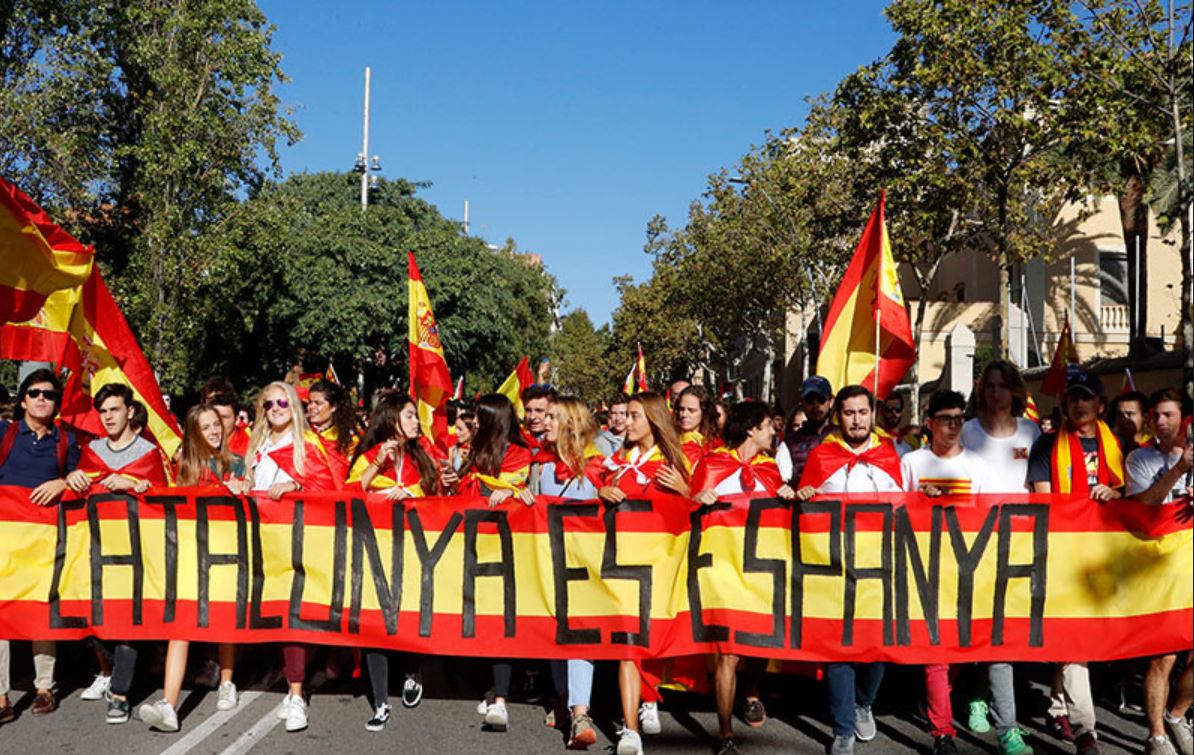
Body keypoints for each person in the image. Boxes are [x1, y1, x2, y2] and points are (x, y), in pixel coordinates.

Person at [796, 385, 903, 755]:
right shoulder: (821, 457)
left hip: (879, 567)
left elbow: (906, 507)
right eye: (848, 413)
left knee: (875, 647)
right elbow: (802, 512)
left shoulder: (892, 454)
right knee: (838, 649)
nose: (856, 420)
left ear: (872, 414)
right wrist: (803, 497)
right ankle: (842, 727)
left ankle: (863, 703)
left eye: (862, 412)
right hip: (833, 567)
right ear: (837, 416)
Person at [1027, 367, 1125, 755]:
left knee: (1078, 639)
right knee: (1076, 640)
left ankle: (1057, 706)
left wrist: (1115, 496)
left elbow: (1129, 494)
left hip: (1102, 555)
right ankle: (1087, 731)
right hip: (1062, 553)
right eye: (1073, 397)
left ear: (1100, 405)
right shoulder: (1047, 446)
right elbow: (1043, 499)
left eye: (1087, 397)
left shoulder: (1114, 445)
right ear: (1065, 403)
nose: (1079, 403)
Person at [690, 401, 795, 755]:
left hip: (758, 572)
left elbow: (782, 521)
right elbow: (687, 512)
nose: (773, 432)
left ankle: (751, 692)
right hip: (721, 570)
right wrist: (697, 499)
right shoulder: (712, 463)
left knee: (756, 641)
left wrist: (787, 498)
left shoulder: (771, 470)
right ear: (751, 429)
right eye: (767, 425)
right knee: (727, 653)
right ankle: (724, 733)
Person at [138, 403, 246, 732]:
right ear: (194, 433)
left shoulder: (237, 462)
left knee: (224, 620)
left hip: (226, 552)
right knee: (180, 627)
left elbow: (247, 505)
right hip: (189, 552)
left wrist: (240, 489)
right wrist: (146, 489)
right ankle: (169, 705)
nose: (214, 431)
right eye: (206, 427)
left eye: (217, 424)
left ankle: (227, 682)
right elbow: (169, 499)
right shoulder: (181, 464)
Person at [900, 390, 996, 755]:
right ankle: (943, 732)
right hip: (924, 569)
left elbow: (989, 519)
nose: (954, 425)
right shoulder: (911, 463)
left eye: (959, 417)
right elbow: (896, 514)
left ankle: (938, 699)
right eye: (946, 418)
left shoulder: (979, 467)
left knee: (956, 651)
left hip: (967, 571)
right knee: (935, 653)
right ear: (930, 424)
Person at [596, 392, 690, 755]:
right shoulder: (616, 463)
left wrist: (686, 490)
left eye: (635, 416)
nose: (626, 422)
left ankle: (650, 697)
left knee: (654, 641)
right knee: (627, 646)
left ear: (653, 420)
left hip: (662, 569)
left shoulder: (672, 463)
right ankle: (630, 729)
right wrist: (602, 490)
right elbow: (592, 505)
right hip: (622, 568)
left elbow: (697, 513)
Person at [76, 382, 171, 725]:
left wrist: (134, 485)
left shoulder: (148, 453)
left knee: (129, 619)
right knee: (96, 619)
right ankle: (131, 668)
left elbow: (165, 498)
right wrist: (73, 479)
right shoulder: (92, 450)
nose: (108, 417)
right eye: (102, 411)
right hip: (99, 551)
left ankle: (119, 693)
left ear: (130, 411)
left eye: (114, 409)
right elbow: (82, 488)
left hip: (138, 553)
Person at [245, 381, 337, 733]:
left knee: (293, 615)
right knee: (277, 617)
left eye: (282, 401)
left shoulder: (307, 444)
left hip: (300, 542)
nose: (275, 408)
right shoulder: (256, 444)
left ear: (294, 406)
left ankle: (296, 695)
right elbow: (246, 480)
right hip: (264, 541)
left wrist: (297, 487)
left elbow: (327, 488)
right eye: (268, 404)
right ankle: (294, 679)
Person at [346, 394, 440, 732]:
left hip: (413, 553)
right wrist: (377, 466)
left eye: (416, 415)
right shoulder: (368, 455)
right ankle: (381, 702)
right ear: (391, 420)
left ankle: (412, 672)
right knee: (375, 623)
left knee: (407, 618)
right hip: (374, 552)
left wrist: (413, 493)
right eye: (410, 416)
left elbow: (437, 495)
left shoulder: (423, 457)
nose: (417, 422)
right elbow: (347, 493)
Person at [958, 360, 1038, 755]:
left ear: (1014, 391)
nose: (994, 393)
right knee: (984, 627)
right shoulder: (967, 432)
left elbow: (1041, 489)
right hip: (973, 544)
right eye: (988, 386)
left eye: (1001, 386)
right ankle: (990, 709)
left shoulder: (1031, 432)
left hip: (1020, 544)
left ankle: (982, 695)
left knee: (1003, 631)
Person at [0, 369, 86, 724]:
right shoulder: (4, 434)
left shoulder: (66, 441)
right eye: (34, 393)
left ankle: (45, 687)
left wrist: (62, 482)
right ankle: (1, 697)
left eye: (49, 394)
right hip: (4, 540)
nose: (41, 398)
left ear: (56, 403)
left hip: (45, 541)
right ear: (22, 400)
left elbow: (84, 480)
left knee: (42, 611)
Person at [521, 396, 604, 749]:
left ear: (570, 423)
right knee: (555, 633)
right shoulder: (539, 467)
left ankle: (580, 712)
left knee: (580, 635)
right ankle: (561, 694)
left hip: (589, 568)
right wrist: (521, 499)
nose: (545, 422)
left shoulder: (600, 466)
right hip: (550, 563)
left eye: (553, 417)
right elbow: (532, 511)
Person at [445, 394, 532, 732]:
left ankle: (501, 699)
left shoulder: (519, 454)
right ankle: (488, 686)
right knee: (474, 622)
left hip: (503, 551)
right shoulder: (474, 454)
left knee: (499, 623)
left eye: (479, 417)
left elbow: (522, 494)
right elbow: (469, 494)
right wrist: (454, 486)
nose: (473, 423)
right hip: (470, 546)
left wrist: (509, 494)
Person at [1125, 388, 1193, 755]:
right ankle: (1156, 737)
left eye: (1168, 414)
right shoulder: (1140, 458)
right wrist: (1180, 470)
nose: (1161, 422)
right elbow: (1143, 506)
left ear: (1184, 418)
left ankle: (1177, 714)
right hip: (1160, 566)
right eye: (1156, 415)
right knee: (1163, 655)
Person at [776, 376, 834, 485]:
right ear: (802, 403)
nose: (815, 405)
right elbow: (780, 484)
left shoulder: (844, 437)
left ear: (831, 402)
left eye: (821, 399)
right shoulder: (790, 444)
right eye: (809, 400)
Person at [306, 378, 358, 484]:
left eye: (318, 403)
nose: (311, 407)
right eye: (310, 402)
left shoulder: (350, 440)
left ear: (333, 407)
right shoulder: (302, 435)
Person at [674, 385, 718, 469]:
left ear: (704, 412)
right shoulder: (669, 441)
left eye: (691, 410)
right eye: (681, 409)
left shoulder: (715, 445)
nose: (684, 414)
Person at [520, 384, 557, 456]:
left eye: (539, 410)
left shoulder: (561, 446)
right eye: (528, 410)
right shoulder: (518, 442)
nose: (532, 417)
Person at [1110, 390, 1150, 455]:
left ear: (1145, 417)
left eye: (1130, 414)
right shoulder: (1109, 445)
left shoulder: (1156, 446)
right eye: (1120, 415)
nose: (1124, 420)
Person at [877, 392, 916, 456]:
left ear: (902, 411)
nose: (893, 413)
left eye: (898, 409)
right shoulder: (875, 436)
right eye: (889, 409)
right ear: (882, 410)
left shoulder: (910, 438)